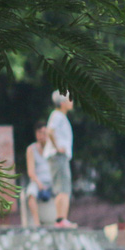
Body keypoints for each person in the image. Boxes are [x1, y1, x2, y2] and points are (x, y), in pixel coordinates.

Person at [47, 92, 76, 227]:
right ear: (63, 103)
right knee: (63, 187)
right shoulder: (57, 115)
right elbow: (50, 131)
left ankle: (62, 218)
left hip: (61, 156)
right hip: (59, 156)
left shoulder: (61, 117)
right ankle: (61, 218)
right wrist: (57, 147)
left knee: (63, 186)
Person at [23, 124, 57, 228]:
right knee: (31, 194)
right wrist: (39, 184)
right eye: (40, 133)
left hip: (52, 180)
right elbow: (31, 172)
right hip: (38, 180)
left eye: (45, 133)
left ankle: (60, 220)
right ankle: (37, 222)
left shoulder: (53, 149)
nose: (43, 136)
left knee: (62, 192)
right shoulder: (31, 149)